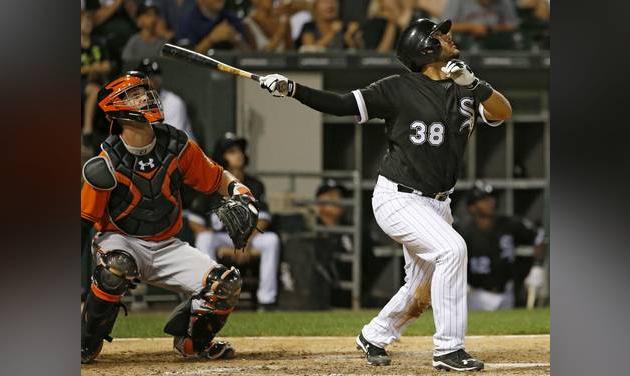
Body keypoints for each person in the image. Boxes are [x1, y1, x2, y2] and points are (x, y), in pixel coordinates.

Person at [258, 18, 512, 371]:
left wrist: (475, 83)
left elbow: (503, 112)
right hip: (399, 198)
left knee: (419, 292)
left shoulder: (464, 87)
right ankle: (449, 349)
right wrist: (292, 89)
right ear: (426, 47)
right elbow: (341, 104)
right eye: (439, 34)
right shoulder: (398, 88)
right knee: (453, 250)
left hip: (439, 203)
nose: (449, 37)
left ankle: (374, 335)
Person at [80, 71, 259, 363]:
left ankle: (193, 343)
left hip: (167, 244)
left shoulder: (176, 145)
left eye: (144, 92)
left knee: (225, 285)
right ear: (116, 107)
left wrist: (240, 190)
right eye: (134, 94)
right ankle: (86, 341)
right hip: (121, 240)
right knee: (115, 268)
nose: (145, 97)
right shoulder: (105, 162)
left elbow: (216, 178)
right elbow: (83, 224)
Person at [187, 133, 281, 310]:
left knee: (271, 240)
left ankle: (266, 301)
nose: (238, 155)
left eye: (240, 151)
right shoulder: (210, 183)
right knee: (205, 239)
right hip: (221, 239)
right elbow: (194, 220)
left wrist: (243, 243)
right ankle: (209, 295)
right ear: (221, 156)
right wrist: (225, 247)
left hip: (247, 239)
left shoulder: (255, 184)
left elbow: (263, 220)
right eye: (231, 151)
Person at [456, 181, 546, 311]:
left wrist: (537, 266)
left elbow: (538, 236)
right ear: (472, 207)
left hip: (507, 293)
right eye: (484, 199)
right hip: (476, 294)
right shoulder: (463, 231)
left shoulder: (509, 224)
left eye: (491, 198)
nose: (491, 202)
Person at [136, 58, 195, 139]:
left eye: (154, 77)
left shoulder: (173, 102)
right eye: (146, 78)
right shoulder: (136, 102)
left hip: (184, 148)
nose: (150, 82)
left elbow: (173, 138)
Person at [81, 9, 113, 158]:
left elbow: (107, 65)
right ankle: (87, 130)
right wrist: (93, 68)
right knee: (93, 89)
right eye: (84, 21)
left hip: (99, 83)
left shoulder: (98, 43)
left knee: (99, 89)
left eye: (89, 21)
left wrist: (91, 69)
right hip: (81, 84)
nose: (88, 24)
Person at [176, 0, 253, 52]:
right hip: (198, 72)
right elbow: (183, 60)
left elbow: (248, 56)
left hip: (229, 71)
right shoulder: (187, 20)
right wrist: (211, 39)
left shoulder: (232, 18)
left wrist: (236, 39)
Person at [443, 0, 519, 50]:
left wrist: (489, 29)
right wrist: (470, 27)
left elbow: (512, 25)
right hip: (462, 43)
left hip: (496, 42)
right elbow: (444, 26)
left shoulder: (503, 2)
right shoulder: (457, 1)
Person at [297, 0, 361, 51]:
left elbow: (356, 55)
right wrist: (332, 32)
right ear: (315, 6)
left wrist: (350, 37)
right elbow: (309, 50)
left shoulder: (343, 27)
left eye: (333, 2)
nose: (330, 6)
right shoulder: (309, 26)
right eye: (325, 2)